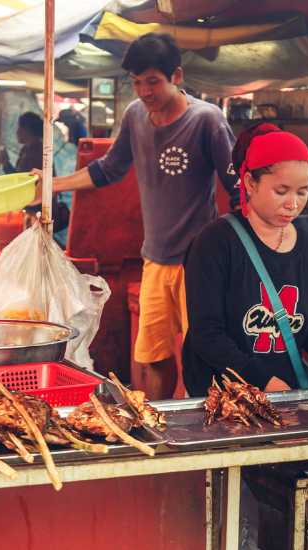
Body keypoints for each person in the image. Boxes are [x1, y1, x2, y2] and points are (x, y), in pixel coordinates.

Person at [34, 33, 237, 400]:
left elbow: (237, 186)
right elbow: (108, 169)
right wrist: (50, 185)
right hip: (155, 260)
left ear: (176, 76)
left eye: (152, 81)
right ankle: (158, 422)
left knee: (205, 357)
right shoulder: (135, 116)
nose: (144, 91)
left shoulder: (207, 120)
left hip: (199, 263)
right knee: (153, 356)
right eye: (137, 82)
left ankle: (209, 425)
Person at [182, 124, 308, 395]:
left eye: (302, 192)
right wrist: (261, 380)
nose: (293, 203)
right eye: (281, 191)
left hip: (283, 395)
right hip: (221, 396)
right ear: (250, 183)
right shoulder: (214, 243)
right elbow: (207, 334)